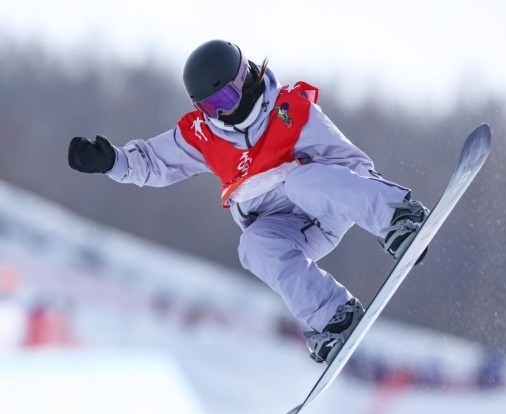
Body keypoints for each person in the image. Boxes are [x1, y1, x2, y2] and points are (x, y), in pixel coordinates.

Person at [68, 39, 429, 364]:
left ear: (243, 80)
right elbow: (154, 161)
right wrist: (111, 161)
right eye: (210, 107)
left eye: (224, 100)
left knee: (300, 180)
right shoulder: (204, 135)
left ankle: (400, 217)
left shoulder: (290, 111)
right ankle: (334, 315)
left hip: (327, 204)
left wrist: (385, 206)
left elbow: (351, 165)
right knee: (254, 245)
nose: (221, 114)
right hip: (292, 228)